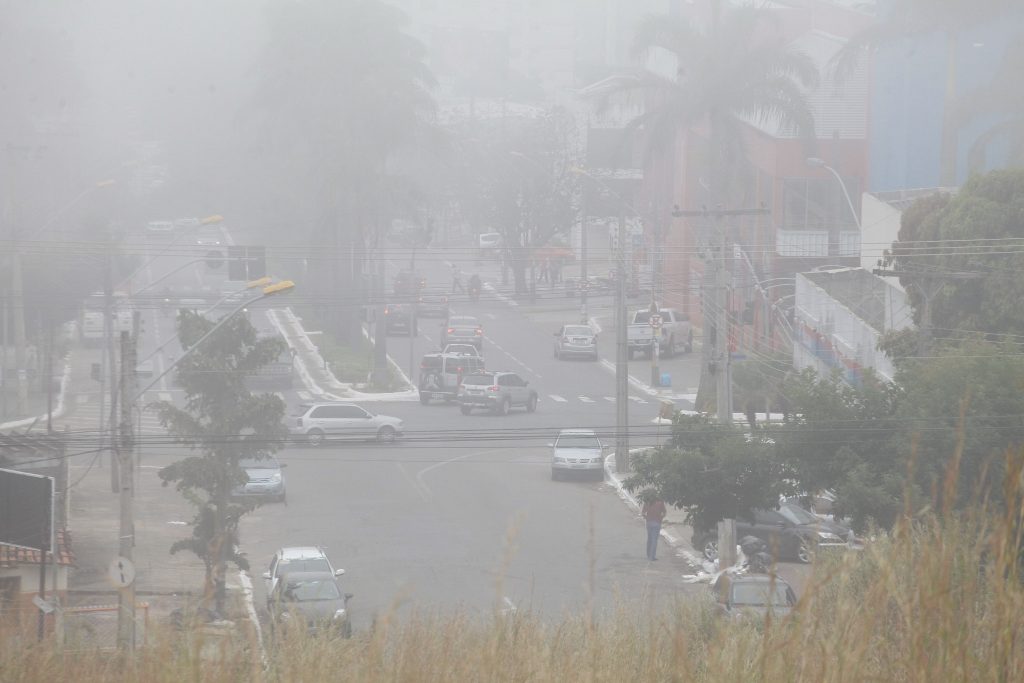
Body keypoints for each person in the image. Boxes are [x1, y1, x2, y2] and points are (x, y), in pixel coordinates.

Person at [641, 491, 667, 561]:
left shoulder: (647, 502)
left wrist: (647, 518)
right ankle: (652, 557)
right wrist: (661, 518)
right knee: (654, 540)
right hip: (657, 523)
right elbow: (664, 512)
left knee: (649, 539)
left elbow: (643, 513)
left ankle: (648, 554)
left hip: (649, 523)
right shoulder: (660, 502)